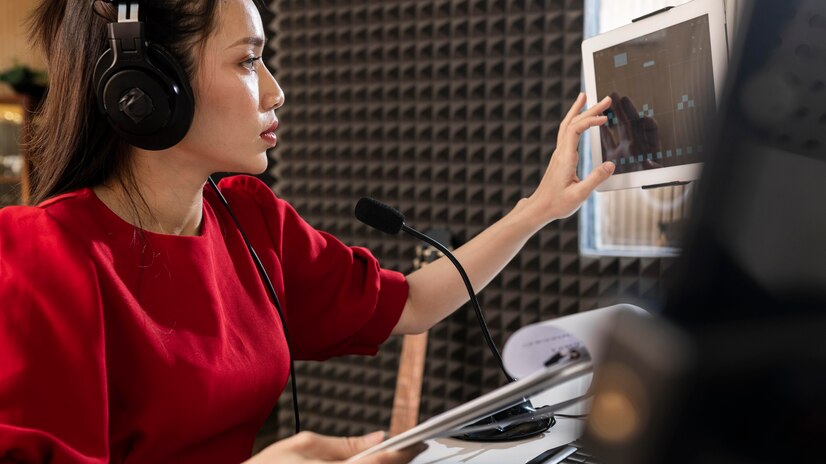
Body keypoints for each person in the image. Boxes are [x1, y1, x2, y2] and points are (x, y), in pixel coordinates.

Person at [0, 0, 615, 463]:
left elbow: (413, 302)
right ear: (147, 92)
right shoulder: (37, 257)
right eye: (247, 60)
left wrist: (538, 208)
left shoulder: (250, 218)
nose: (277, 90)